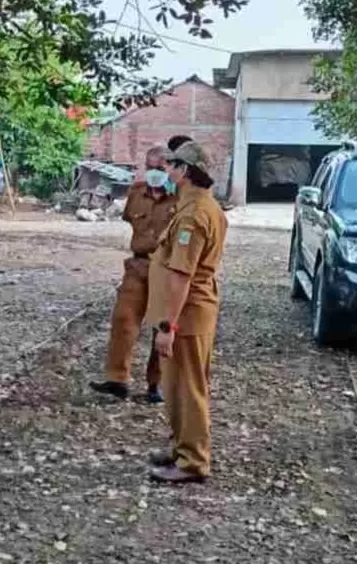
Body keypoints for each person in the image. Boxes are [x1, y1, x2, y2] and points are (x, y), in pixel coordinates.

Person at [145, 141, 228, 484]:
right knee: (178, 385)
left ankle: (193, 461)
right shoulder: (200, 207)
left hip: (188, 314)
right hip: (191, 313)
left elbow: (182, 275)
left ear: (185, 170)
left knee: (189, 388)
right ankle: (181, 446)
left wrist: (168, 326)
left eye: (172, 165)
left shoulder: (194, 215)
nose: (166, 170)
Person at [90, 146, 178, 403]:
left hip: (166, 270)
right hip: (137, 267)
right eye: (150, 168)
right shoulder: (136, 193)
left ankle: (156, 384)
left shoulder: (179, 197)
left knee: (161, 326)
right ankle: (117, 380)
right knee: (124, 320)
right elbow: (131, 220)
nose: (154, 174)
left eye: (160, 169)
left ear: (170, 169)